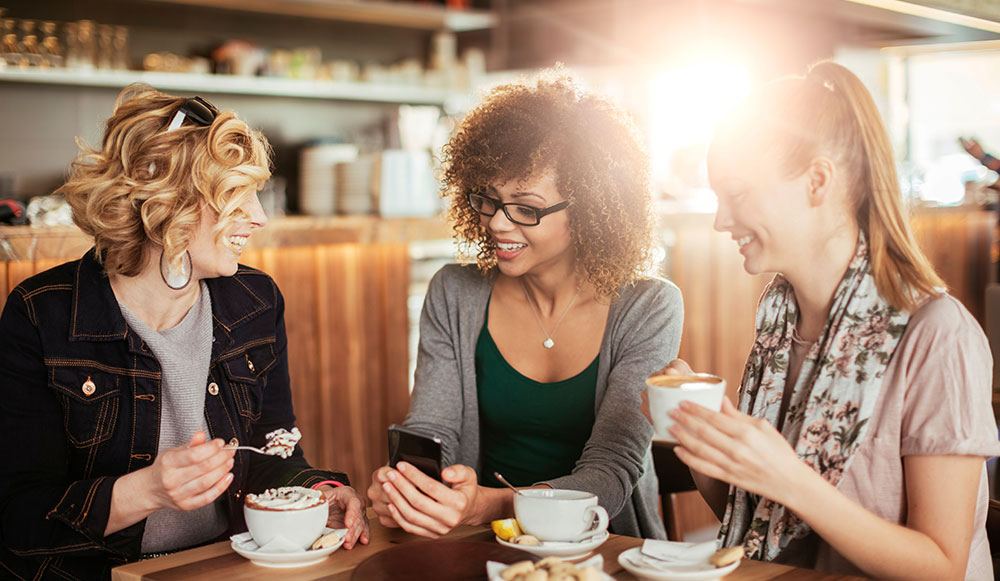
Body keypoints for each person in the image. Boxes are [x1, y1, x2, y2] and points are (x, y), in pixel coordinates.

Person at [0, 84, 369, 580]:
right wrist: (148, 490)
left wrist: (315, 490)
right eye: (235, 198)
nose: (258, 218)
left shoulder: (255, 302)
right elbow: (18, 517)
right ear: (168, 204)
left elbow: (269, 448)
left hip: (219, 565)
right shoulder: (41, 314)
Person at [655, 61, 1000, 579]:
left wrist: (790, 478)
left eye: (738, 195)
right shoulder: (779, 324)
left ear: (818, 180)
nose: (722, 220)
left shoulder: (937, 335)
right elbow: (760, 521)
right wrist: (706, 441)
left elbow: (943, 567)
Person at [366, 74, 683, 539]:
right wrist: (414, 489)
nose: (497, 222)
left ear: (592, 207)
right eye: (489, 199)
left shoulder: (649, 306)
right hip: (480, 548)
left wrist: (489, 505)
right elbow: (433, 430)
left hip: (609, 549)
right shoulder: (455, 292)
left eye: (525, 208)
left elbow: (611, 472)